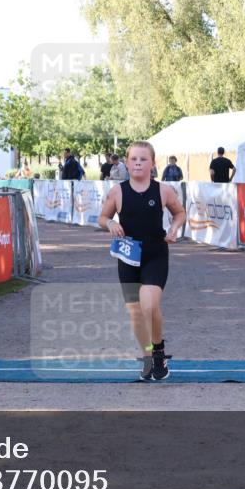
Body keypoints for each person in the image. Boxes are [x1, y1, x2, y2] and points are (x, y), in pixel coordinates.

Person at [98, 141, 186, 382]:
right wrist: (111, 223)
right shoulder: (117, 191)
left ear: (152, 163)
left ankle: (158, 352)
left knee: (149, 306)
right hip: (127, 256)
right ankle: (148, 355)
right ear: (126, 162)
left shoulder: (163, 190)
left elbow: (180, 212)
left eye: (143, 159)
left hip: (155, 254)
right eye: (134, 159)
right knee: (136, 313)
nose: (138, 163)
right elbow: (102, 217)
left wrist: (175, 228)